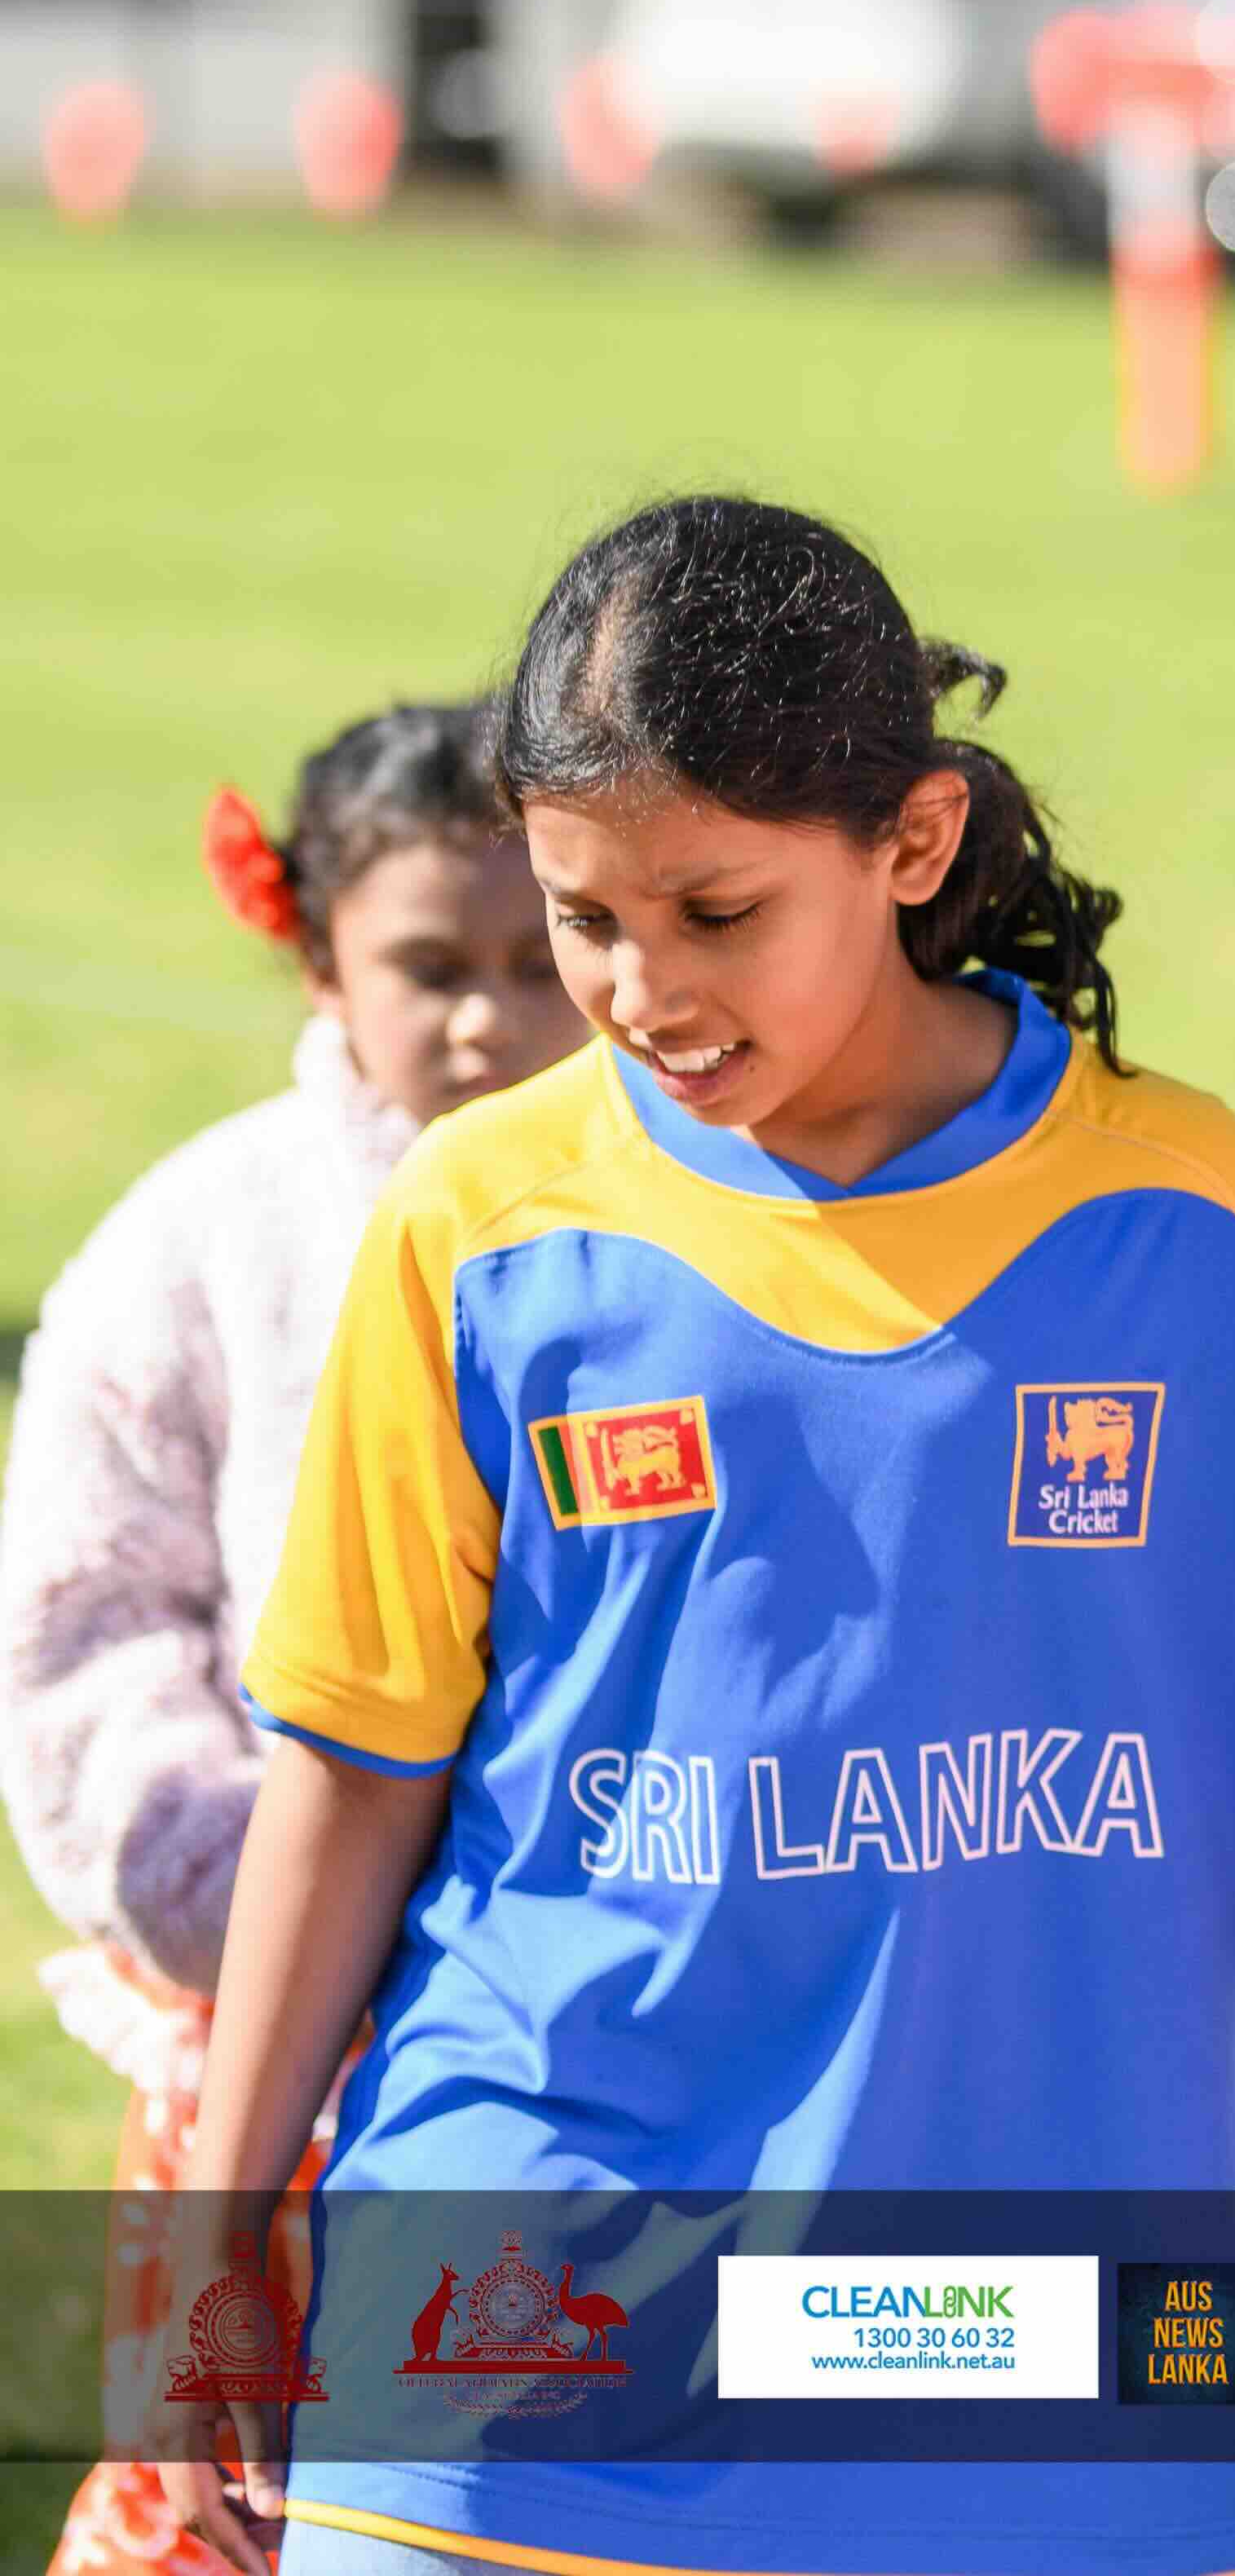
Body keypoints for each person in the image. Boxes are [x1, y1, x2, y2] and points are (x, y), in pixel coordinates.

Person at [153, 500, 1235, 2576]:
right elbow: (355, 1758)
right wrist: (225, 2221)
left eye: (717, 908)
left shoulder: (1189, 1216)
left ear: (912, 842)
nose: (640, 985)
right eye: (586, 916)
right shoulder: (482, 1220)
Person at [5, 707, 577, 2576]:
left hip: (579, 2011)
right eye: (432, 966)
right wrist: (247, 1889)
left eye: (536, 958)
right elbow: (87, 1622)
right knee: (231, 2484)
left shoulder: (672, 1211)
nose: (489, 1017)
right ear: (321, 954)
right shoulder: (204, 1235)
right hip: (267, 2008)